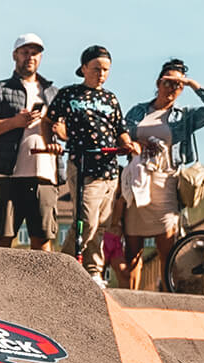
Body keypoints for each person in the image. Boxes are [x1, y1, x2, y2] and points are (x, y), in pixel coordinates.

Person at [118, 60, 204, 287]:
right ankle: (131, 299)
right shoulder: (139, 111)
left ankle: (165, 297)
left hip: (166, 184)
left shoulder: (184, 115)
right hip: (138, 181)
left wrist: (192, 84)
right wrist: (137, 140)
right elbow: (120, 133)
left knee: (166, 249)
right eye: (168, 82)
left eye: (178, 85)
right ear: (158, 82)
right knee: (133, 250)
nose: (172, 88)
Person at [47, 45, 138, 284]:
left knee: (102, 226)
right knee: (86, 222)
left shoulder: (110, 98)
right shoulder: (69, 94)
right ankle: (61, 266)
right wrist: (51, 142)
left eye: (106, 70)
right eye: (97, 68)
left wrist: (129, 144)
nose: (101, 74)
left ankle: (93, 271)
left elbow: (121, 130)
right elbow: (49, 120)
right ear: (84, 68)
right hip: (84, 166)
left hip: (109, 170)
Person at [0, 34, 60, 250]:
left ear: (41, 57)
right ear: (15, 55)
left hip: (44, 174)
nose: (30, 57)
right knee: (2, 238)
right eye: (25, 52)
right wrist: (14, 122)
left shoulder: (53, 92)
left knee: (42, 240)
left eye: (35, 53)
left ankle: (41, 284)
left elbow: (66, 132)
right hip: (8, 174)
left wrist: (55, 128)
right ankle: (0, 284)